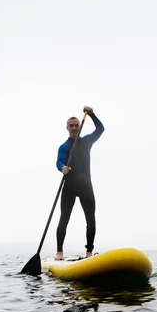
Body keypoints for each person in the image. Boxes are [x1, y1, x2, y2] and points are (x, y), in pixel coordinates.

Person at [55, 106, 105, 260]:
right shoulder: (63, 147)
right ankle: (59, 253)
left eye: (77, 125)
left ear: (79, 126)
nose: (75, 127)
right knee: (64, 219)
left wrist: (91, 114)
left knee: (91, 219)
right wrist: (62, 168)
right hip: (69, 187)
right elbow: (58, 161)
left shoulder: (87, 141)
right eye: (71, 125)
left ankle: (89, 253)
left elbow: (100, 129)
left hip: (85, 187)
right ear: (67, 128)